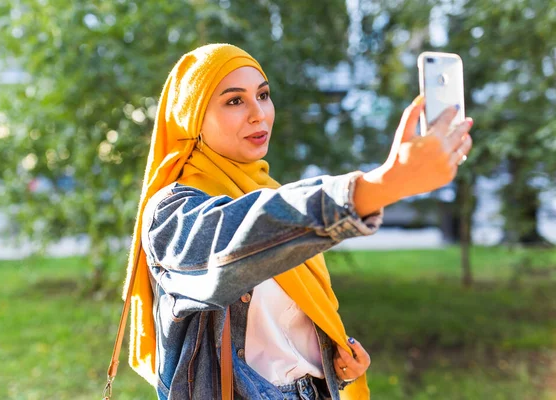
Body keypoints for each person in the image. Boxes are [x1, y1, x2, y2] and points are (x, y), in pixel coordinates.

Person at [121, 43, 473, 400]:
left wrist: (330, 366)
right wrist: (381, 185)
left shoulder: (270, 192)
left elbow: (286, 327)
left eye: (263, 95)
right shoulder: (171, 214)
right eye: (234, 101)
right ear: (192, 117)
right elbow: (237, 242)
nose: (259, 113)